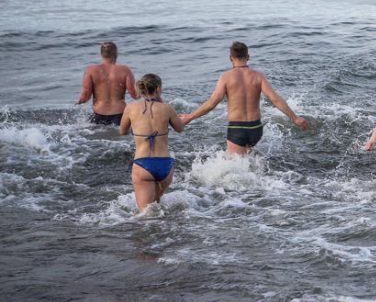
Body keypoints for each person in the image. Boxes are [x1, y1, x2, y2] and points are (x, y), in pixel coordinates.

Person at [181, 42, 309, 156]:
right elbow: (274, 99)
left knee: (236, 173)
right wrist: (295, 118)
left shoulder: (226, 77)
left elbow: (212, 103)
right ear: (248, 57)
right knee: (249, 165)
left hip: (237, 129)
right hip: (256, 128)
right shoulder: (258, 76)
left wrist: (190, 117)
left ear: (230, 58)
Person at [119, 74, 184, 211]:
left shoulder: (131, 108)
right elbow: (180, 128)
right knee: (157, 207)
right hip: (165, 164)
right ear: (158, 88)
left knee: (145, 215)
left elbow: (122, 131)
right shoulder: (167, 108)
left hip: (143, 164)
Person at [76, 41, 138, 125]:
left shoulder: (91, 70)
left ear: (101, 54)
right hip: (119, 114)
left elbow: (86, 95)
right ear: (116, 53)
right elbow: (134, 95)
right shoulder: (125, 70)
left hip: (98, 114)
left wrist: (80, 100)